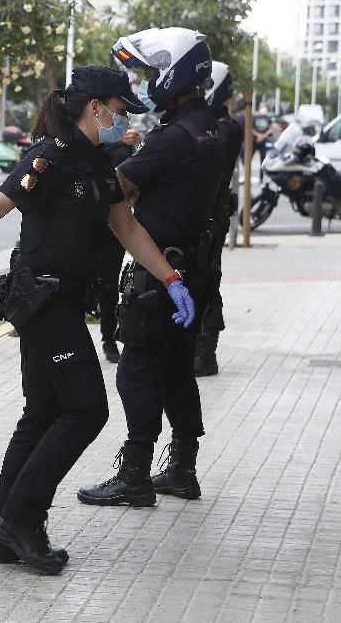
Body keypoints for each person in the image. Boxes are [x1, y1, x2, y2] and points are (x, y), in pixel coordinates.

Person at [0, 67, 193, 573]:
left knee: (43, 413)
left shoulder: (100, 161)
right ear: (95, 107)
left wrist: (170, 278)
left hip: (68, 298)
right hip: (42, 299)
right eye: (119, 111)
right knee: (87, 409)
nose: (123, 121)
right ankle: (23, 520)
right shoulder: (50, 154)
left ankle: (3, 534)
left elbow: (127, 226)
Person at [77, 28, 230, 508]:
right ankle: (183, 467)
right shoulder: (216, 128)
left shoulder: (170, 139)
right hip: (198, 270)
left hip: (161, 270)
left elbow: (113, 190)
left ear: (174, 71)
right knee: (177, 368)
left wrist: (109, 160)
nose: (143, 83)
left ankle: (136, 473)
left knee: (137, 369)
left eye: (148, 73)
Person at [194, 62, 244, 377]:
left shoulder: (224, 127)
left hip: (212, 214)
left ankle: (205, 351)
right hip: (205, 211)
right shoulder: (213, 124)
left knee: (207, 278)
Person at [96, 124, 142, 364]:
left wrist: (131, 146)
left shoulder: (126, 144)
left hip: (115, 223)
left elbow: (130, 179)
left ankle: (109, 338)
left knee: (108, 284)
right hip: (84, 225)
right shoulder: (87, 136)